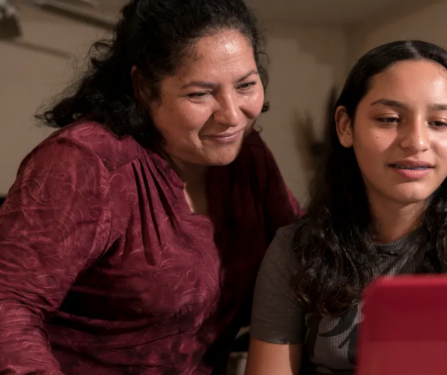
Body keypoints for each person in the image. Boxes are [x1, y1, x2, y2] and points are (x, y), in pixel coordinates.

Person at [0, 0, 301, 374]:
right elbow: (8, 303)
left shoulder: (248, 158)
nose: (231, 115)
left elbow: (302, 256)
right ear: (144, 87)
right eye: (200, 94)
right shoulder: (86, 162)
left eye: (246, 85)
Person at [246, 40, 447, 375]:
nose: (417, 142)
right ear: (346, 126)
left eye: (439, 123)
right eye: (390, 118)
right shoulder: (296, 249)